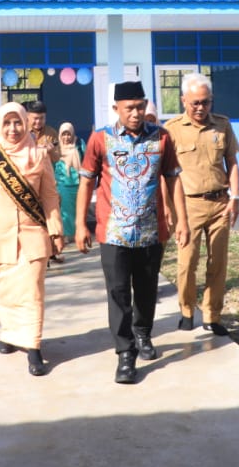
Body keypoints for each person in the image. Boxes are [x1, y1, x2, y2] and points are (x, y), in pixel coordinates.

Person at [76, 80, 189, 384]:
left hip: (151, 230)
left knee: (147, 288)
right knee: (118, 293)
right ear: (117, 108)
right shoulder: (100, 139)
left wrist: (182, 221)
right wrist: (80, 225)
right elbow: (86, 182)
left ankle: (143, 333)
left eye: (140, 107)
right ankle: (125, 354)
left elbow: (173, 179)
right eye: (129, 108)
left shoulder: (161, 138)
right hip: (113, 232)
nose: (136, 114)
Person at [0, 102, 64, 376]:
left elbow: (50, 197)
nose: (13, 128)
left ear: (26, 123)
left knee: (32, 292)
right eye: (7, 123)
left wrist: (56, 230)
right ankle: (10, 333)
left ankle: (33, 347)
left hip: (33, 236)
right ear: (0, 125)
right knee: (5, 292)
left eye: (18, 122)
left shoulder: (39, 155)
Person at [164, 72, 239, 337]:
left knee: (218, 262)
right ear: (183, 100)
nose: (200, 108)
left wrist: (235, 197)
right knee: (187, 262)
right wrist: (168, 207)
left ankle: (212, 315)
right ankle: (187, 311)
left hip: (220, 203)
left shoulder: (222, 125)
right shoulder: (172, 129)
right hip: (189, 205)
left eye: (206, 102)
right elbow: (165, 173)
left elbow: (232, 162)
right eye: (195, 102)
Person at [52, 121, 83, 255]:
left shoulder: (79, 145)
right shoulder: (56, 149)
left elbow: (85, 161)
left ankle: (77, 233)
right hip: (63, 184)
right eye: (64, 134)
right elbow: (52, 166)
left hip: (78, 183)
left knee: (77, 210)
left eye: (68, 134)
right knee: (64, 211)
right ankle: (65, 235)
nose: (66, 137)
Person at [23, 99, 59, 165]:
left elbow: (58, 159)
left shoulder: (51, 133)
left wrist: (51, 151)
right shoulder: (22, 132)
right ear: (27, 117)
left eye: (42, 118)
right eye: (35, 118)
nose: (38, 121)